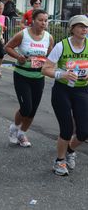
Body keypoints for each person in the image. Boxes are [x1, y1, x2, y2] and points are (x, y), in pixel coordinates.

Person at [42, 15, 88, 176]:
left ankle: (70, 149)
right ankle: (59, 161)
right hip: (62, 90)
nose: (84, 29)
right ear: (72, 29)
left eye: (86, 26)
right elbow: (45, 69)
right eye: (80, 26)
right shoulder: (62, 46)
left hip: (82, 91)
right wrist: (62, 75)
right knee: (67, 129)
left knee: (83, 131)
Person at [5, 9, 54, 147]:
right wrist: (18, 57)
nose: (43, 23)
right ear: (32, 20)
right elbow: (8, 47)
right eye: (40, 20)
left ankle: (21, 134)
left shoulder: (48, 37)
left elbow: (50, 55)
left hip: (38, 77)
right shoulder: (23, 34)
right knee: (26, 107)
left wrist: (49, 64)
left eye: (46, 20)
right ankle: (14, 128)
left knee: (33, 110)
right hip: (22, 75)